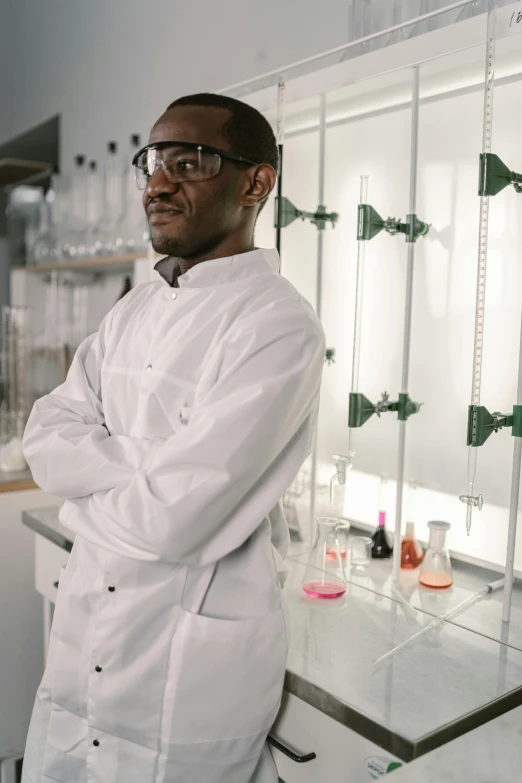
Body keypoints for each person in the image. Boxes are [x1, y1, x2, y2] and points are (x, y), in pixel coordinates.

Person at [21, 93, 326, 783]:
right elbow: (46, 434)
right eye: (153, 162)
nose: (158, 183)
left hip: (184, 694)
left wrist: (83, 490)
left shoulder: (278, 326)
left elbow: (171, 519)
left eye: (189, 161)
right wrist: (144, 468)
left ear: (256, 182)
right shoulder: (134, 308)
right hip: (78, 666)